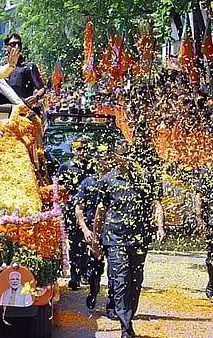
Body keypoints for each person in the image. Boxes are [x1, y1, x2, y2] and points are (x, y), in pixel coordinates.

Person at [92, 141, 166, 338]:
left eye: (130, 154)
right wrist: (95, 240)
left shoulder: (146, 178)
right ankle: (126, 327)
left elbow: (156, 204)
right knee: (121, 280)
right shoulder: (107, 180)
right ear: (116, 157)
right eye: (123, 155)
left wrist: (160, 227)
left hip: (139, 239)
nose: (127, 159)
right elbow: (100, 210)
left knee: (135, 281)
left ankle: (129, 314)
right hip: (114, 239)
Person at [75, 147, 115, 316]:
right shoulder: (87, 182)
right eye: (101, 160)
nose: (104, 163)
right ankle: (93, 290)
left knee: (114, 270)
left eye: (107, 160)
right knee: (94, 268)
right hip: (92, 231)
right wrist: (84, 229)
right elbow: (79, 208)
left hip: (113, 233)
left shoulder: (116, 182)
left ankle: (112, 306)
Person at [58, 137, 92, 290]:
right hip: (71, 211)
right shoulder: (65, 167)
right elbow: (59, 191)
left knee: (87, 242)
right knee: (74, 243)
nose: (82, 152)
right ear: (72, 150)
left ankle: (85, 273)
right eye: (79, 149)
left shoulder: (92, 167)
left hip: (88, 211)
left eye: (85, 149)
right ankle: (75, 276)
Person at [4, 34, 45, 115]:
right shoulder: (1, 68)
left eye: (19, 44)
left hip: (23, 112)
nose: (17, 46)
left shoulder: (28, 66)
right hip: (5, 112)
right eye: (13, 44)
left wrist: (35, 97)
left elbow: (42, 88)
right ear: (6, 47)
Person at [195, 163, 213, 299]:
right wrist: (199, 218)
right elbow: (199, 195)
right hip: (212, 221)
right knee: (212, 258)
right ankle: (212, 281)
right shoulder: (207, 171)